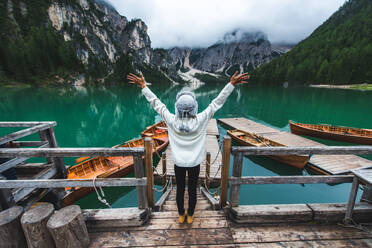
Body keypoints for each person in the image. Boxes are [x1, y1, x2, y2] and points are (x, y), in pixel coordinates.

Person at [128, 71, 249, 224]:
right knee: (192, 190)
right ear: (194, 107)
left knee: (179, 190)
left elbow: (156, 103)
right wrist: (231, 84)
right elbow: (217, 102)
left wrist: (143, 86)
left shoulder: (171, 120)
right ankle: (190, 215)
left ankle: (180, 215)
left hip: (178, 163)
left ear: (177, 107)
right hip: (194, 164)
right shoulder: (201, 119)